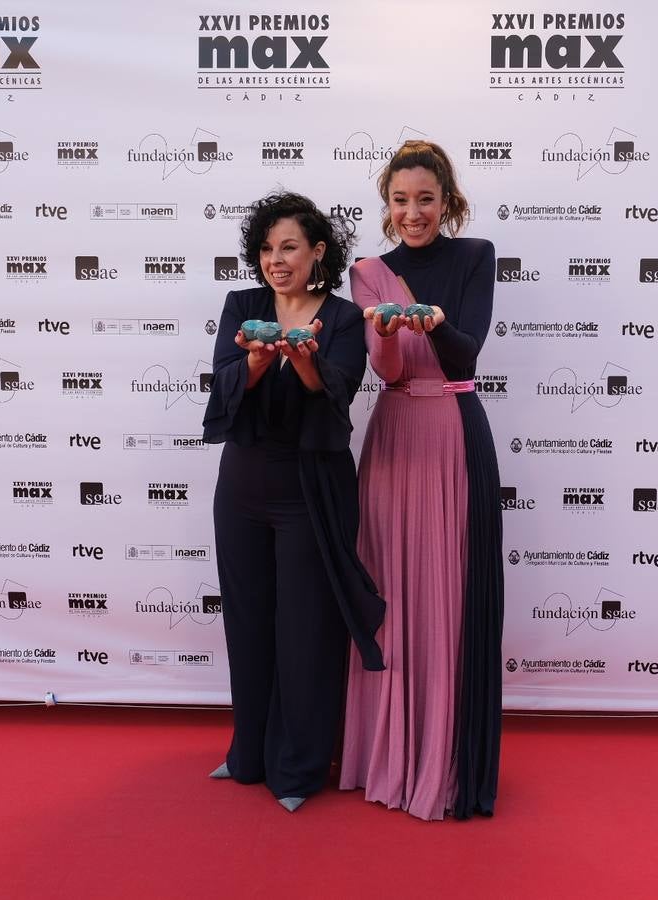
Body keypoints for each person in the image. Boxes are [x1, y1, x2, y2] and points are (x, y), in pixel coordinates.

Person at [201, 191, 385, 813]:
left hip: (310, 489)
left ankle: (299, 768)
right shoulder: (243, 305)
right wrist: (257, 361)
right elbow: (225, 388)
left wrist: (304, 361)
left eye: (289, 248)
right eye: (266, 249)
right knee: (248, 624)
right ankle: (248, 753)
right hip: (242, 487)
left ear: (317, 252)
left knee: (306, 630)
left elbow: (337, 396)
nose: (275, 260)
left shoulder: (343, 318)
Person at [340, 140, 503, 820]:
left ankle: (442, 762)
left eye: (426, 200)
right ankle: (386, 757)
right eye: (401, 200)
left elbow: (467, 354)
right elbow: (388, 371)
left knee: (449, 596)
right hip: (395, 438)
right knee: (390, 592)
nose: (413, 213)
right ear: (387, 204)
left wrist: (434, 324)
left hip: (454, 434)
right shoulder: (369, 271)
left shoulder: (476, 257)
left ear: (447, 201)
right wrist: (382, 332)